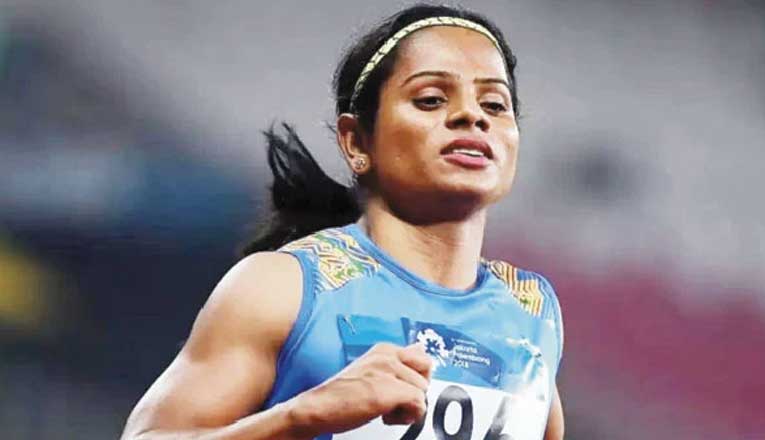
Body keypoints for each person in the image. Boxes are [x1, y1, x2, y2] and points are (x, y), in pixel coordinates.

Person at [121, 3, 564, 440]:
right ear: (356, 142)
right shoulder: (282, 287)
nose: (473, 116)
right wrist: (302, 416)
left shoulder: (532, 313)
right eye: (430, 99)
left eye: (495, 104)